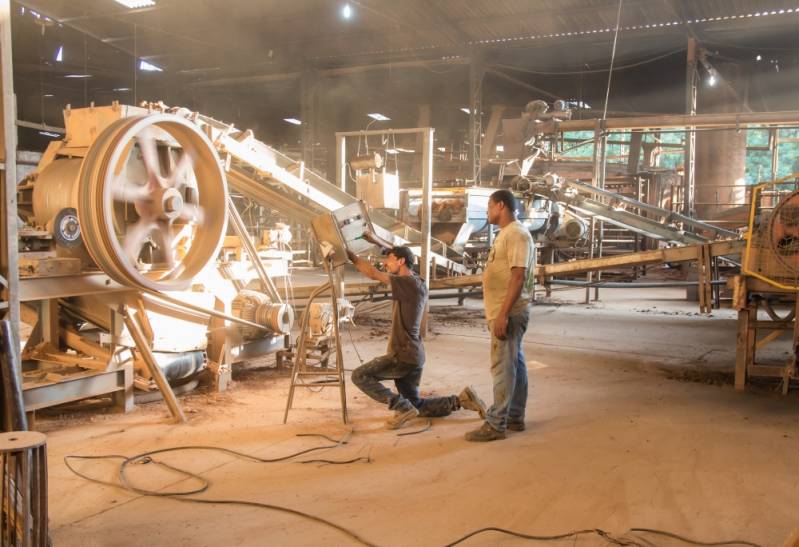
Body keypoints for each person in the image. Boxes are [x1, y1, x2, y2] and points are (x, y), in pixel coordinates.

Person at [347, 235, 486, 429]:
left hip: (402, 355)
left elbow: (372, 273)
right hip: (414, 354)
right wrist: (376, 241)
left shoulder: (406, 284)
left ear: (401, 261)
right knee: (417, 405)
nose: (385, 264)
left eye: (389, 260)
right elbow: (396, 252)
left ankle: (400, 406)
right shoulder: (417, 281)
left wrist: (350, 256)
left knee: (359, 376)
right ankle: (461, 400)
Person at [465, 189, 535, 442]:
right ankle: (515, 416)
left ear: (501, 206)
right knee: (515, 363)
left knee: (502, 367)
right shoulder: (507, 234)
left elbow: (517, 276)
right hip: (506, 310)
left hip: (509, 312)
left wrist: (503, 314)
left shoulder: (516, 234)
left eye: (489, 206)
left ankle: (496, 424)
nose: (487, 211)